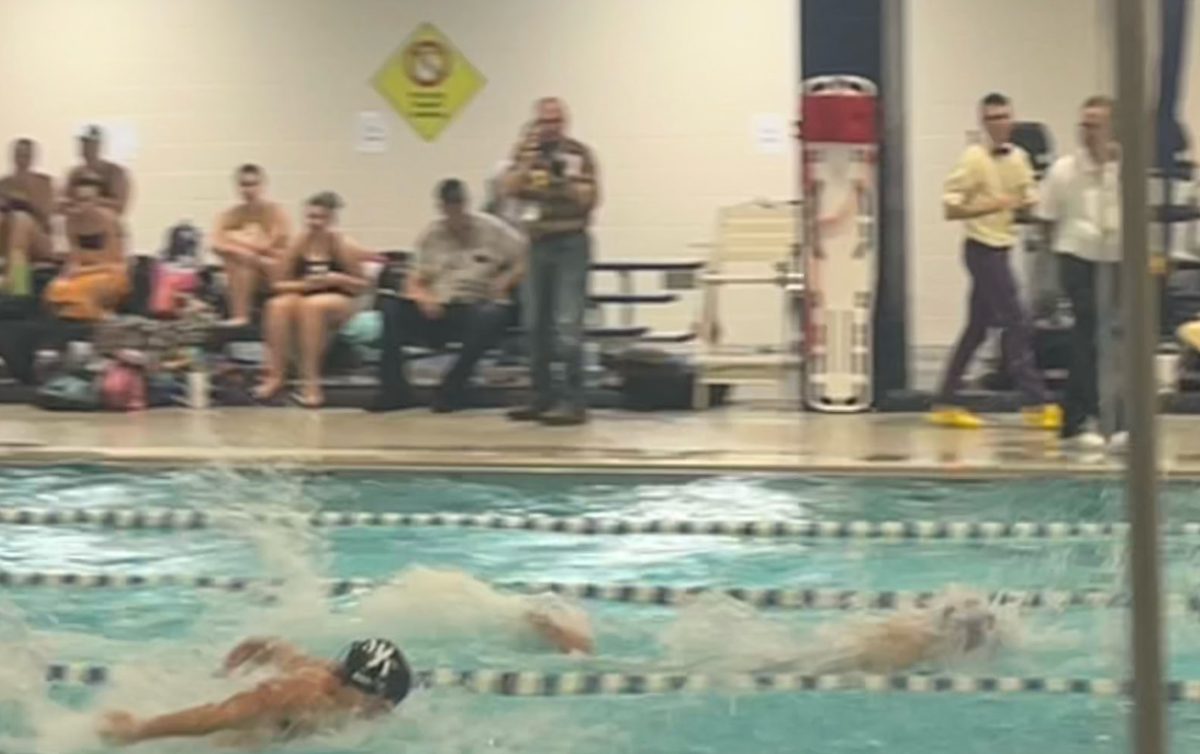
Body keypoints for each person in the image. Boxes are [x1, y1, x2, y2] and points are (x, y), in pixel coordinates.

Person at [929, 93, 1061, 431]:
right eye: (992, 118)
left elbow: (1027, 199)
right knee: (1016, 320)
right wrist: (991, 206)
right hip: (981, 249)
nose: (1000, 124)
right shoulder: (972, 160)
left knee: (976, 329)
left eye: (1004, 117)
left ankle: (945, 399)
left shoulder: (1019, 158)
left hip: (1002, 247)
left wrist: (1034, 209)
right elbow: (950, 207)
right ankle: (1035, 400)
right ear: (983, 123)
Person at [369, 179, 526, 413]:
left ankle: (453, 387)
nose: (455, 213)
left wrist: (505, 282)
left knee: (494, 314)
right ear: (441, 208)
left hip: (474, 306)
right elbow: (414, 278)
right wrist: (423, 297)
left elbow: (526, 257)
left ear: (466, 204)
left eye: (459, 205)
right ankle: (395, 391)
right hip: (437, 306)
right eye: (449, 207)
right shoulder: (431, 236)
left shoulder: (494, 230)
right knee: (390, 307)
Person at [97, 637, 411, 747]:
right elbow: (217, 716)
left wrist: (259, 646)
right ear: (354, 686)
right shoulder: (296, 694)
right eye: (377, 703)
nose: (381, 712)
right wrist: (139, 730)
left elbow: (284, 652)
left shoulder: (334, 683)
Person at [501, 97, 601, 426]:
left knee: (567, 324)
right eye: (545, 122)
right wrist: (528, 163)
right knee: (535, 324)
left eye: (556, 121)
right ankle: (540, 396)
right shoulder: (526, 154)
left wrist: (563, 179)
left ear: (565, 123)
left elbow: (589, 200)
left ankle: (573, 401)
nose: (550, 128)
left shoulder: (578, 155)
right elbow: (510, 189)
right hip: (537, 244)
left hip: (570, 243)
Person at [1039, 95, 1125, 450]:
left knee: (1116, 340)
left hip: (1116, 258)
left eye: (1096, 125)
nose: (1088, 133)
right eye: (1084, 125)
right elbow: (1046, 220)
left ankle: (1109, 419)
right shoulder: (1063, 170)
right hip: (1077, 256)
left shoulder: (1126, 168)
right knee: (1088, 332)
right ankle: (1080, 418)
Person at [255, 192, 369, 408]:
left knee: (313, 306)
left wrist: (337, 278)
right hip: (306, 293)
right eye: (311, 217)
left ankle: (311, 382)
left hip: (339, 298)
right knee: (277, 305)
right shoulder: (299, 244)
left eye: (321, 218)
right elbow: (278, 284)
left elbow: (362, 286)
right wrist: (306, 285)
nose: (315, 223)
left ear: (332, 219)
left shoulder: (344, 245)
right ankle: (275, 375)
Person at [211, 164, 291, 326]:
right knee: (238, 261)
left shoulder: (276, 212)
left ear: (262, 186)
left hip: (272, 268)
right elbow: (216, 244)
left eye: (253, 184)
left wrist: (235, 238)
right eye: (244, 185)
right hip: (246, 266)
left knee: (247, 258)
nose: (248, 190)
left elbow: (269, 246)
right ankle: (240, 316)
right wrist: (242, 249)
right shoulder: (230, 214)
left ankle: (241, 315)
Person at [43, 174, 129, 321]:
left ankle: (97, 315)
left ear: (97, 201)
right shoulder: (71, 222)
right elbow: (75, 259)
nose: (83, 205)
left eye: (88, 200)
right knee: (54, 289)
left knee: (85, 291)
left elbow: (115, 264)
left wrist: (82, 269)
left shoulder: (110, 221)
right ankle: (80, 312)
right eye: (79, 200)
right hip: (84, 274)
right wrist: (70, 270)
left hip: (110, 275)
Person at [0, 139, 56, 297]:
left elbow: (45, 216)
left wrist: (23, 200)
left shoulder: (44, 182)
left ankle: (18, 286)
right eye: (18, 154)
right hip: (10, 235)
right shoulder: (4, 183)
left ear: (32, 158)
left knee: (21, 220)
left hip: (39, 238)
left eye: (25, 155)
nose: (21, 159)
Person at [64, 126, 132, 217]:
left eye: (90, 144)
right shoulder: (75, 174)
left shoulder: (114, 173)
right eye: (84, 144)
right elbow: (64, 199)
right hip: (79, 225)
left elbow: (120, 205)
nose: (86, 148)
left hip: (106, 226)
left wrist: (95, 201)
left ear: (98, 146)